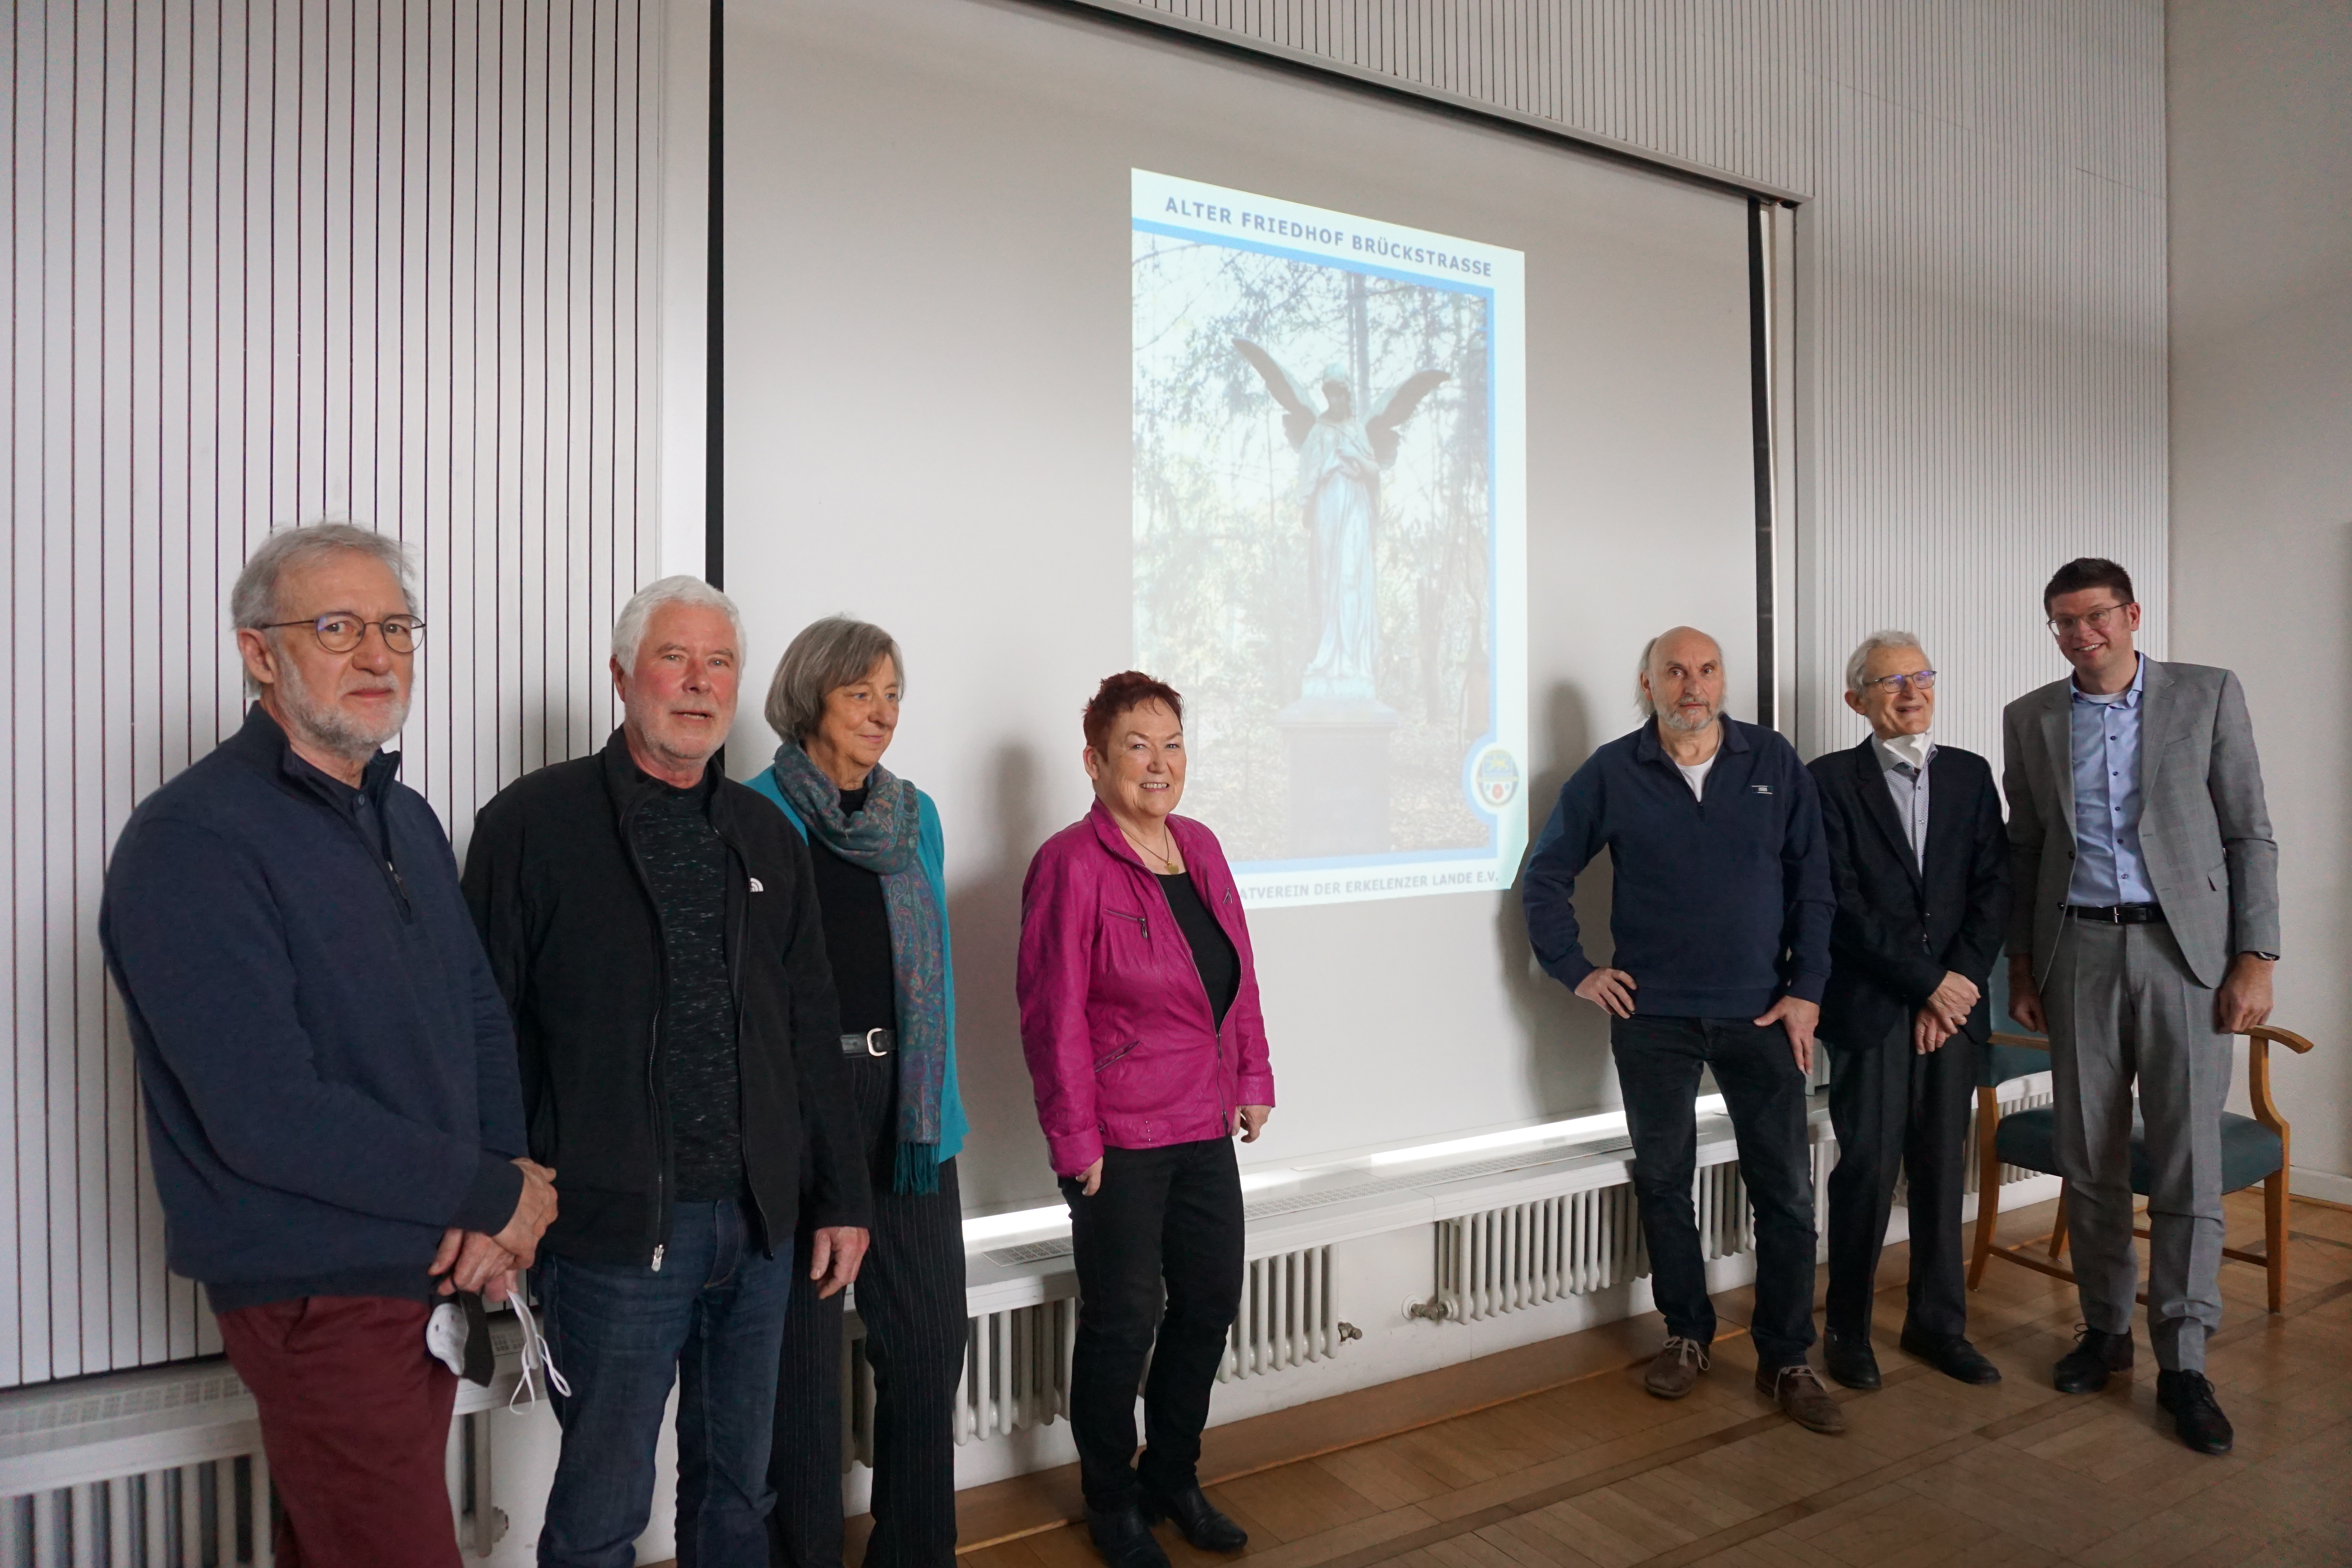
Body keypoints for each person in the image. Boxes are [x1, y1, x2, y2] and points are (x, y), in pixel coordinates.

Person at [100, 523, 557, 1568]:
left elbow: (480, 1018)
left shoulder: (408, 821)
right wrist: (490, 1194)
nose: (379, 654)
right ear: (259, 652)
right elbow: (268, 1114)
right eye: (339, 627)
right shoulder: (192, 842)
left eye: (396, 626)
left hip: (431, 1265)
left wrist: (507, 1193)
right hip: (323, 1288)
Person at [463, 577, 872, 1566]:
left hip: (762, 1229)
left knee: (739, 1491)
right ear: (621, 676)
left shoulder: (767, 833)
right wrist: (494, 1197)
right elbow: (480, 1031)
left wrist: (842, 1194)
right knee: (604, 1504)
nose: (698, 683)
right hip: (610, 1233)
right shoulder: (531, 824)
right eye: (674, 658)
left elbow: (809, 1027)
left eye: (719, 662)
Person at [1521, 627, 1842, 1434]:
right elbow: (1546, 875)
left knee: (1787, 1194)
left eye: (1705, 670)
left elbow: (1816, 886)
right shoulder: (1611, 772)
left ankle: (1786, 1356)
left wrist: (1807, 991)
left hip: (1762, 1014)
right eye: (1674, 671)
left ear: (1722, 679)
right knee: (1665, 1181)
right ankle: (1688, 1334)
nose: (1690, 684)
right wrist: (1578, 968)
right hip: (1654, 1018)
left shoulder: (1772, 763)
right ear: (1647, 682)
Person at [2002, 558, 2277, 1456]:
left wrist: (2255, 956)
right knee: (2089, 1151)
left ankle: (2185, 1359)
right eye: (2063, 622)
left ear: (2132, 614)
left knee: (2190, 1161)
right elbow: (2027, 850)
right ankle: (2105, 1328)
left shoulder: (2207, 694)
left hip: (2184, 954)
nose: (2082, 635)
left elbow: (2248, 831)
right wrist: (2022, 966)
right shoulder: (2032, 718)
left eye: (2096, 617)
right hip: (2075, 949)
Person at [1016, 673, 1275, 1568]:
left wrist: (1254, 1075)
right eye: (1138, 744)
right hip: (1120, 1142)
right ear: (1094, 761)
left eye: (1172, 744)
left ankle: (1175, 1473)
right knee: (1124, 1320)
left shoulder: (1200, 846)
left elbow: (1234, 974)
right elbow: (1052, 1017)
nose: (1159, 763)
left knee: (1208, 1305)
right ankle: (1111, 1498)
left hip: (1204, 1127)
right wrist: (1074, 1139)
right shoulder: (1070, 863)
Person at [758, 618, 969, 1568]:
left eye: (893, 694)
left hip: (912, 1111)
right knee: (800, 1376)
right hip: (804, 1108)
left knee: (927, 1349)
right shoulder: (754, 811)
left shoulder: (914, 814)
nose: (883, 712)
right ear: (811, 700)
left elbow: (935, 971)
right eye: (861, 694)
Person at [1808, 632, 2009, 1393]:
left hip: (1950, 1008)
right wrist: (1929, 983)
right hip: (1874, 1008)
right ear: (1857, 699)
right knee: (1865, 1169)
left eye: (1921, 676)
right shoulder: (1827, 781)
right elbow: (1841, 906)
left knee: (1940, 1166)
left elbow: (1993, 887)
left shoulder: (1969, 773)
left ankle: (1936, 1323)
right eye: (1889, 682)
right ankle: (1848, 1331)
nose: (1910, 691)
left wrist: (1955, 984)